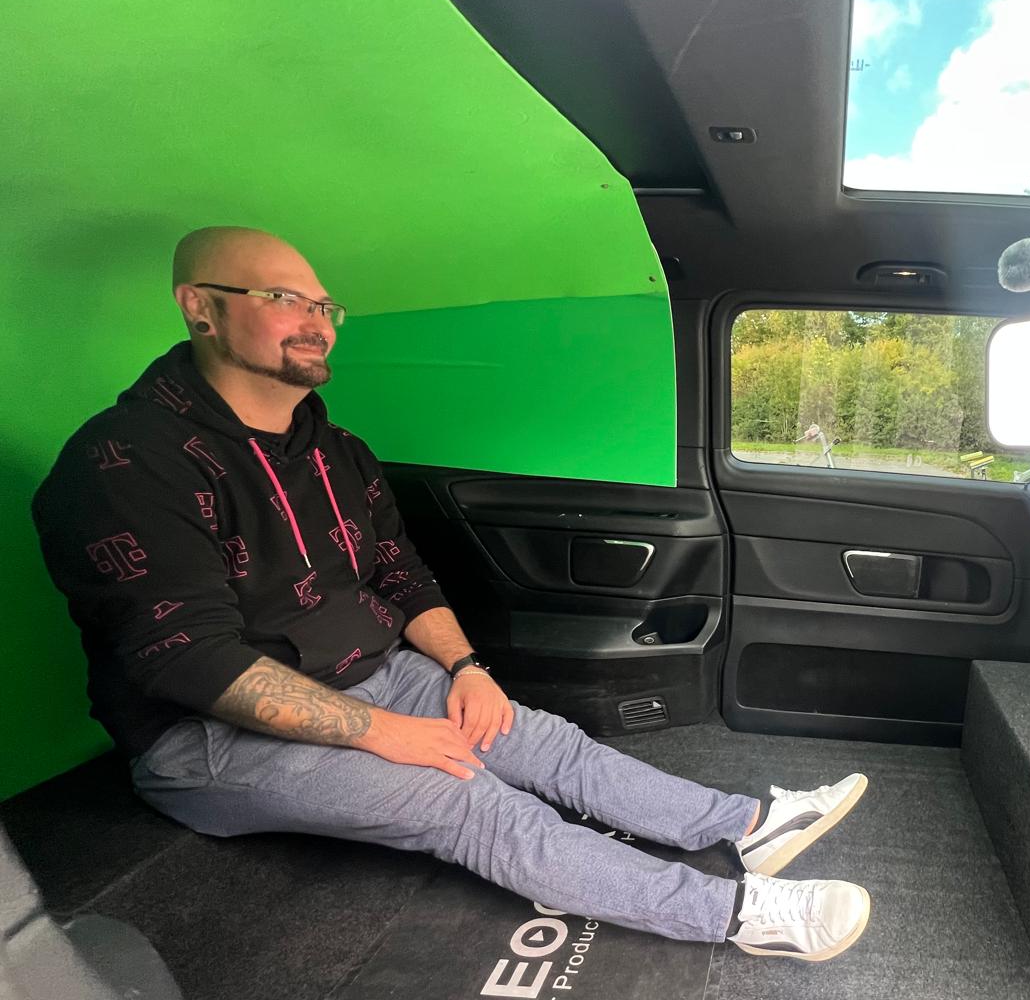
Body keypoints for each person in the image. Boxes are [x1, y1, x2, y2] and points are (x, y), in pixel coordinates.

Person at [32, 227, 872, 961]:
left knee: (540, 740)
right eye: (283, 298)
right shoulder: (125, 463)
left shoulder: (335, 450)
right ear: (201, 308)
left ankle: (746, 827)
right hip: (204, 735)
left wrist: (468, 670)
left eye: (324, 305)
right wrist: (385, 734)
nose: (317, 321)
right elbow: (190, 658)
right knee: (470, 802)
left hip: (368, 675)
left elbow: (400, 572)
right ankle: (736, 916)